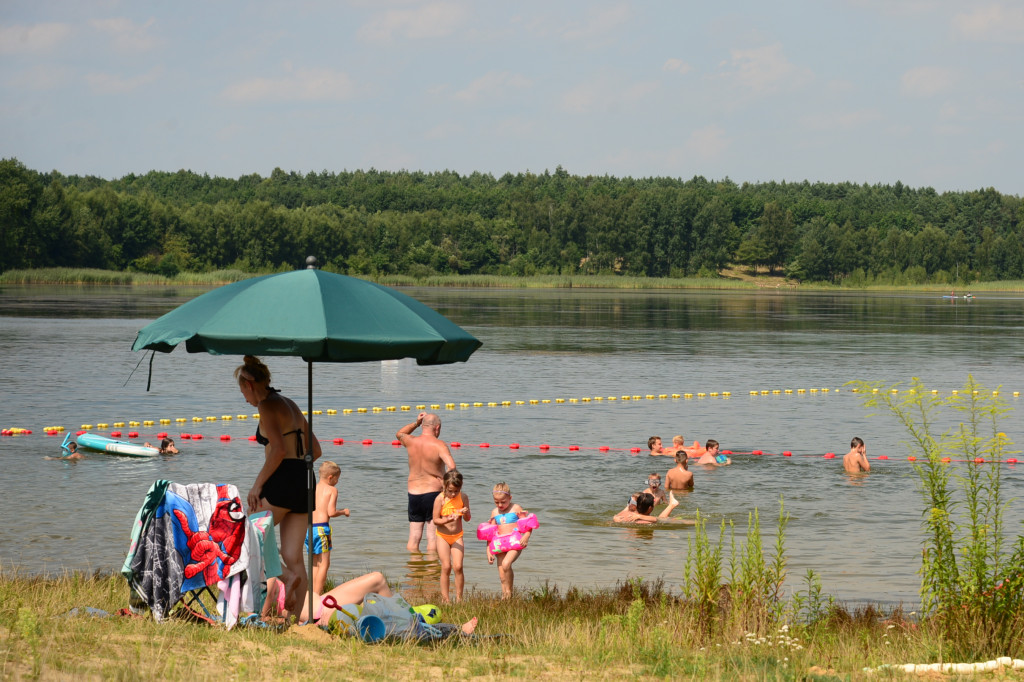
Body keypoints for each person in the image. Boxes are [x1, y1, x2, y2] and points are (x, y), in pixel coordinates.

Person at [235, 355, 322, 614]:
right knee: (293, 555)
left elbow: (278, 450)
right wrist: (297, 468)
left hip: (282, 478)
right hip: (305, 478)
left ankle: (286, 577)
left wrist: (256, 486)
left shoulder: (266, 405)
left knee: (247, 535)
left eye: (243, 392)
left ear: (249, 384)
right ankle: (301, 622)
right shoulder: (290, 404)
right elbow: (316, 450)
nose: (245, 399)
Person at [263, 571, 479, 636]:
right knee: (378, 579)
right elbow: (266, 614)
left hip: (323, 602)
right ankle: (425, 626)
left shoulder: (260, 570)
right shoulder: (267, 576)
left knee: (379, 589)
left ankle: (409, 620)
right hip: (323, 610)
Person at [396, 412, 456, 553]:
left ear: (423, 425)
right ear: (437, 427)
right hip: (433, 494)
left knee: (414, 537)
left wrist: (416, 423)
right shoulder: (439, 445)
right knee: (432, 537)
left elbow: (399, 434)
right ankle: (431, 566)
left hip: (414, 493)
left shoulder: (411, 441)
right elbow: (452, 467)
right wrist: (447, 486)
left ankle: (414, 564)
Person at [307, 460, 350, 595]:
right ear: (331, 477)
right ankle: (318, 595)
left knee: (314, 563)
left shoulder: (312, 488)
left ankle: (312, 593)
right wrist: (343, 512)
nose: (337, 482)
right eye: (337, 479)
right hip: (321, 529)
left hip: (309, 529)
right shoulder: (332, 490)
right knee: (324, 564)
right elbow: (331, 512)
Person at [486, 482, 534, 600]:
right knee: (502, 575)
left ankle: (509, 592)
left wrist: (526, 536)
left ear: (510, 498)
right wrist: (488, 551)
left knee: (506, 564)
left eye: (503, 502)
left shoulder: (516, 508)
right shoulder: (494, 512)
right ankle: (505, 597)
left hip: (514, 543)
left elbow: (528, 525)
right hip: (499, 545)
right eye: (496, 502)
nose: (500, 505)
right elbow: (490, 533)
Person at [432, 469, 470, 603]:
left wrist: (465, 513)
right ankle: (445, 599)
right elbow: (435, 520)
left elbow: (467, 519)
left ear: (461, 487)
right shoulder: (440, 499)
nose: (453, 494)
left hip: (457, 536)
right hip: (443, 536)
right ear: (444, 486)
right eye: (450, 491)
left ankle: (459, 599)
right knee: (446, 566)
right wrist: (447, 519)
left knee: (458, 566)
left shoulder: (463, 497)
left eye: (456, 491)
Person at [613, 491, 686, 524]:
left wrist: (615, 517)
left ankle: (672, 505)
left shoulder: (624, 514)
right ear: (650, 508)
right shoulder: (646, 522)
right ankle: (672, 505)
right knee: (663, 519)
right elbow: (655, 519)